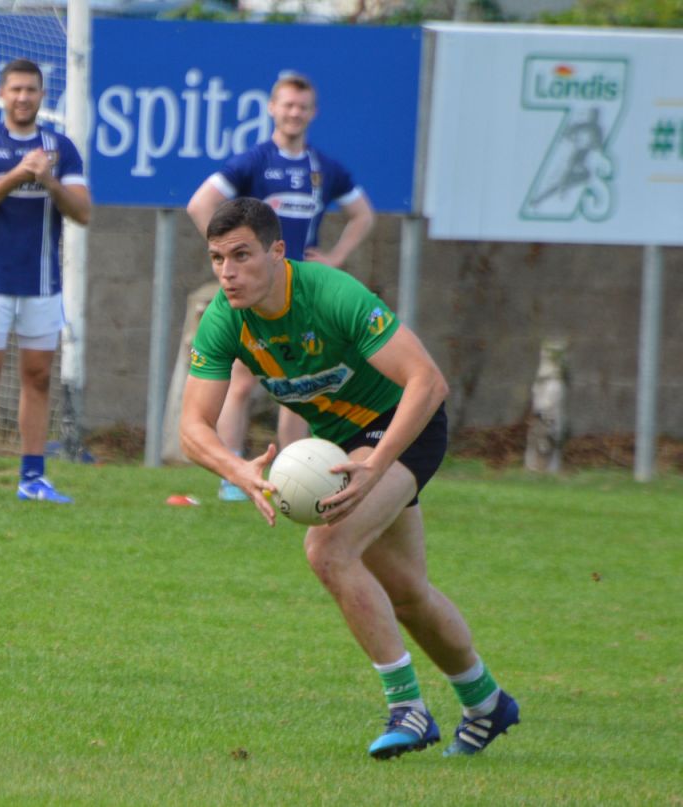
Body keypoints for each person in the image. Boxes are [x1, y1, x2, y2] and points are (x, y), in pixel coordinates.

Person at [180, 197, 519, 760]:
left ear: (278, 252)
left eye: (241, 256)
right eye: (217, 258)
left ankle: (406, 707)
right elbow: (193, 427)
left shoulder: (332, 295)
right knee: (408, 595)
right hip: (342, 446)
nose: (228, 273)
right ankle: (486, 702)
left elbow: (428, 383)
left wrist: (376, 466)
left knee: (327, 548)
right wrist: (236, 468)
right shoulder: (225, 319)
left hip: (403, 429)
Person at [186, 71, 375, 502]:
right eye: (287, 105)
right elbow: (200, 203)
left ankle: (297, 475)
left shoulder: (323, 167)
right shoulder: (255, 161)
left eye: (302, 106)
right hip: (256, 293)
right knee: (241, 381)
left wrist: (336, 258)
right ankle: (233, 473)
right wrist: (231, 257)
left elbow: (364, 214)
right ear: (272, 108)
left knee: (301, 385)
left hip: (300, 291)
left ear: (313, 112)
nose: (294, 113)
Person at [0, 58, 91, 504]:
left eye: (31, 90)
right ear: (1, 94)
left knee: (38, 376)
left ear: (42, 96)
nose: (23, 97)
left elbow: (83, 212)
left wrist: (47, 179)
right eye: (15, 90)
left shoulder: (60, 148)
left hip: (41, 282)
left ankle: (32, 477)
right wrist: (15, 175)